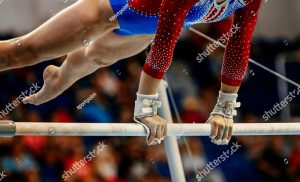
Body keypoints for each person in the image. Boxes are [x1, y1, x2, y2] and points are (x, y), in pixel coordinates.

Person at [0, 0, 262, 146]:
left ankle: (58, 78)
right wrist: (146, 108)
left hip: (141, 32)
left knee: (95, 57)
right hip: (106, 12)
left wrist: (224, 110)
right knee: (24, 52)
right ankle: (57, 77)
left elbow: (239, 44)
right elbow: (164, 46)